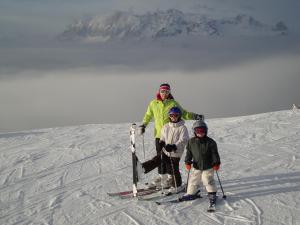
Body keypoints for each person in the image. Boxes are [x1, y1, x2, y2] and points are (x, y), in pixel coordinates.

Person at [139, 83, 204, 188]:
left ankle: (170, 178)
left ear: (169, 92)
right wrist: (143, 125)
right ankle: (161, 177)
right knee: (160, 157)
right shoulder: (153, 103)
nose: (165, 93)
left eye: (167, 92)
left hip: (172, 136)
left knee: (170, 159)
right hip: (159, 135)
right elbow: (148, 115)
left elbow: (183, 113)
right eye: (163, 91)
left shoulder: (173, 103)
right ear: (159, 92)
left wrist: (194, 116)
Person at [141, 107, 189, 192]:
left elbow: (184, 140)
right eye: (171, 115)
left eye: (176, 115)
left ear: (179, 116)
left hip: (176, 152)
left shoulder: (182, 128)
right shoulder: (166, 126)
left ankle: (177, 185)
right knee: (156, 160)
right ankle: (141, 168)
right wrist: (162, 142)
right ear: (169, 116)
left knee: (173, 168)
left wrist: (174, 146)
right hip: (166, 150)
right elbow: (162, 137)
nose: (173, 117)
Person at [183, 120, 221, 205]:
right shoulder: (191, 141)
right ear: (194, 131)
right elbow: (189, 152)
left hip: (208, 166)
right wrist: (187, 162)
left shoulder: (210, 142)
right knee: (193, 180)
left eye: (202, 131)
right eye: (198, 131)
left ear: (206, 131)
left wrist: (216, 163)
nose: (200, 133)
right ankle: (191, 193)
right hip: (196, 166)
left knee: (207, 180)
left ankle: (212, 194)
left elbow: (215, 154)